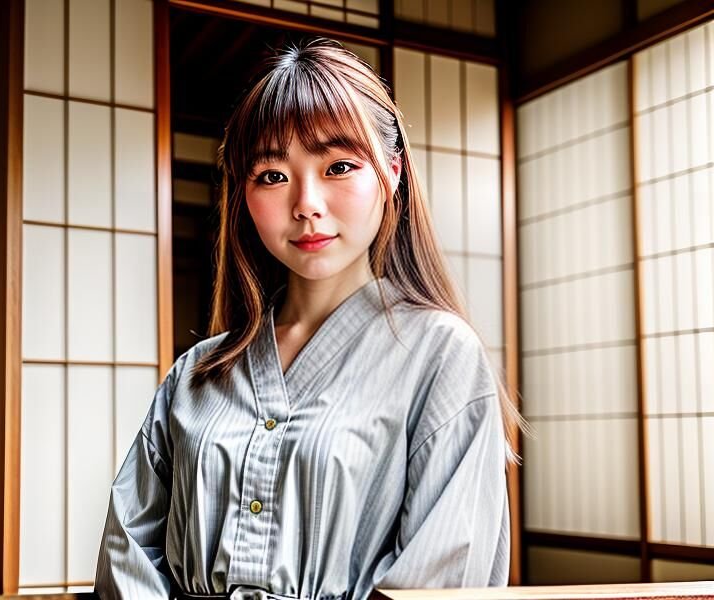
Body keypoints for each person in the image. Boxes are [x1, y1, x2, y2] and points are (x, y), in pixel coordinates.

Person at [95, 37, 523, 600]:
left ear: (391, 173)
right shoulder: (197, 372)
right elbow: (128, 553)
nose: (306, 203)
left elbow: (441, 576)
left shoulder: (441, 356)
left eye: (339, 166)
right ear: (243, 196)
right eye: (272, 175)